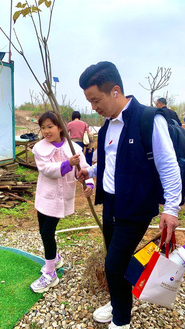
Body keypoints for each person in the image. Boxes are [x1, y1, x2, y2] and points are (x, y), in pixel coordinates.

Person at [77, 61, 182, 329]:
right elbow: (111, 162)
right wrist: (90, 172)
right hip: (111, 203)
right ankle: (117, 303)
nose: (93, 107)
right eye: (89, 102)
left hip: (136, 205)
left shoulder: (148, 119)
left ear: (115, 91)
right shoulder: (108, 125)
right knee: (118, 261)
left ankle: (121, 320)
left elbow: (168, 165)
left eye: (96, 100)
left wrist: (171, 209)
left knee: (113, 264)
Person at [30, 111, 94, 293]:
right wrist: (67, 164)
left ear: (60, 127)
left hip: (61, 198)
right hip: (45, 196)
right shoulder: (40, 148)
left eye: (50, 126)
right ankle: (55, 259)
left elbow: (85, 168)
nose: (46, 131)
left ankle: (50, 273)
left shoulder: (74, 148)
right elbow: (45, 169)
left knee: (48, 232)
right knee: (43, 231)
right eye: (43, 128)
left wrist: (88, 183)